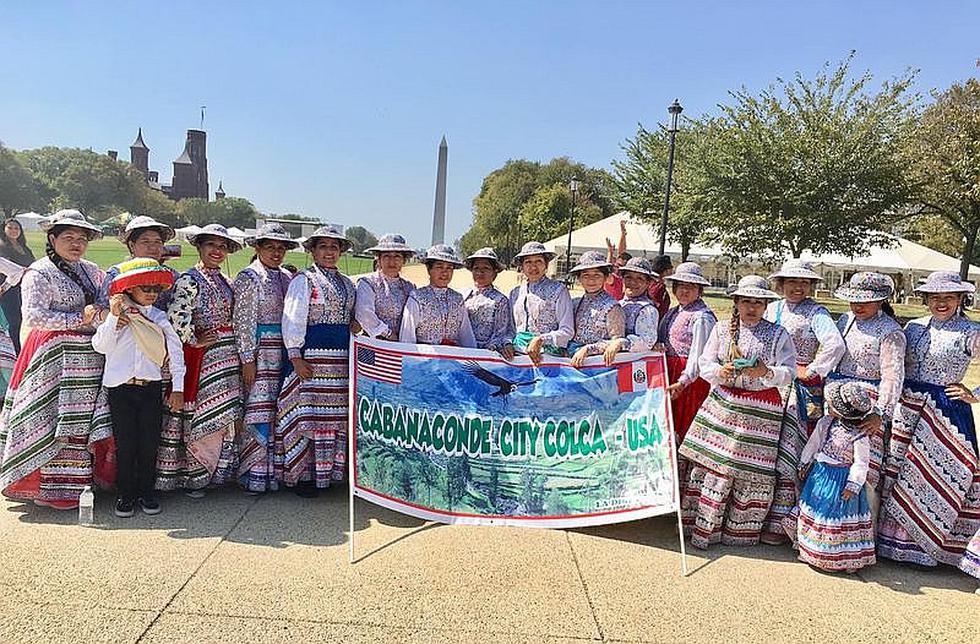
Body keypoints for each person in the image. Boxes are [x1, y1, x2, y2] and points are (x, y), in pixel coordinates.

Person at [0, 209, 112, 509]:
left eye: (81, 239)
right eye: (68, 238)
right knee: (49, 419)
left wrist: (97, 315)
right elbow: (35, 315)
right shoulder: (39, 272)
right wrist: (81, 318)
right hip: (53, 356)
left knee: (80, 422)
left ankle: (80, 485)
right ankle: (47, 486)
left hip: (87, 358)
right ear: (52, 238)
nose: (76, 244)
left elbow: (102, 305)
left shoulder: (92, 270)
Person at [678, 275, 795, 549]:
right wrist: (721, 371)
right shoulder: (721, 330)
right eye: (746, 302)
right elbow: (705, 362)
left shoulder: (779, 334)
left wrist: (765, 372)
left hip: (759, 410)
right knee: (713, 466)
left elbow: (789, 372)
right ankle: (703, 526)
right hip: (724, 404)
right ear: (736, 303)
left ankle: (738, 531)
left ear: (766, 305)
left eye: (758, 302)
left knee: (747, 470)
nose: (751, 308)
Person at [877, 271, 980, 580]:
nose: (941, 303)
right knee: (902, 470)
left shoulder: (971, 330)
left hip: (947, 409)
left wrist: (972, 394)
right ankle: (893, 543)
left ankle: (938, 547)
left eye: (948, 297)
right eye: (935, 297)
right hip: (908, 406)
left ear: (961, 299)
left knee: (942, 473)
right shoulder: (914, 327)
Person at [92, 258, 185, 517]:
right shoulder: (118, 316)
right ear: (130, 288)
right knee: (125, 443)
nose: (152, 294)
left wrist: (178, 388)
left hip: (149, 387)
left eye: (156, 289)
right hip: (120, 389)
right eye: (146, 288)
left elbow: (175, 352)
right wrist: (112, 319)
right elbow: (100, 346)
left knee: (149, 442)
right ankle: (125, 494)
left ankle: (147, 491)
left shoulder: (159, 317)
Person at [762, 259, 846, 544]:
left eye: (804, 282)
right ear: (781, 283)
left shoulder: (816, 313)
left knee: (790, 447)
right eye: (791, 282)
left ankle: (782, 521)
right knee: (766, 446)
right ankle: (759, 514)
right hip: (769, 382)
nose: (797, 287)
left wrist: (811, 370)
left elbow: (835, 344)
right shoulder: (772, 308)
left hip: (796, 388)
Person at [160, 224, 243, 496]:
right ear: (200, 247)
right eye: (211, 245)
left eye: (222, 247)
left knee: (224, 412)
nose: (217, 251)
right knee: (201, 413)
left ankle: (217, 472)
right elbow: (176, 317)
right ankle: (194, 475)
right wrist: (194, 338)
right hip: (203, 358)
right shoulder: (189, 279)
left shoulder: (225, 282)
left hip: (228, 356)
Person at [276, 225, 356, 495]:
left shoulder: (347, 283)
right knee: (306, 415)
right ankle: (304, 476)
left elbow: (352, 320)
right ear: (312, 250)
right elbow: (293, 318)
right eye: (323, 246)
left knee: (335, 418)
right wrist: (295, 355)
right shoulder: (304, 280)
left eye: (334, 247)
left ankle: (329, 473)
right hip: (312, 358)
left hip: (341, 361)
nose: (329, 252)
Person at [830, 271, 903, 522]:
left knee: (863, 464)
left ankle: (859, 526)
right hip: (838, 399)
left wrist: (880, 413)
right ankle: (825, 523)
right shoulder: (845, 320)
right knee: (832, 458)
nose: (857, 305)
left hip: (868, 403)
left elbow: (893, 376)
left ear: (881, 300)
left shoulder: (890, 331)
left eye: (866, 300)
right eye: (854, 299)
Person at [232, 223, 297, 493]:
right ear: (257, 248)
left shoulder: (286, 277)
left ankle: (275, 471)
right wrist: (248, 359)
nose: (276, 252)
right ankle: (254, 472)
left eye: (280, 248)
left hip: (282, 349)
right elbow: (243, 320)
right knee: (258, 408)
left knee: (278, 409)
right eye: (269, 247)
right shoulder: (249, 276)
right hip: (260, 350)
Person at [788, 379, 877, 573]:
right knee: (816, 512)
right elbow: (814, 443)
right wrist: (805, 462)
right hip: (820, 475)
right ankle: (810, 551)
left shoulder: (859, 436)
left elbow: (861, 462)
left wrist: (853, 485)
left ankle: (833, 557)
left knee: (833, 517)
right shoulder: (826, 423)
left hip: (840, 480)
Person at [659, 262, 717, 443]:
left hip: (690, 377)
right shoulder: (673, 312)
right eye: (681, 286)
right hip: (670, 370)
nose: (684, 291)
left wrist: (684, 380)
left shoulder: (702, 316)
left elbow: (700, 354)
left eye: (690, 287)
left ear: (699, 290)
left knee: (686, 422)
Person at [509, 241, 573, 363]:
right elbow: (510, 329)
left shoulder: (559, 290)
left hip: (548, 357)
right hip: (518, 358)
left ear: (546, 265)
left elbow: (567, 330)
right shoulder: (515, 293)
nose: (533, 267)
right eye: (528, 262)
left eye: (538, 261)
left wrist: (542, 339)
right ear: (521, 266)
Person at [400, 244, 476, 347]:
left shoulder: (457, 299)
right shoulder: (417, 297)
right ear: (429, 269)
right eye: (439, 267)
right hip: (424, 359)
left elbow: (466, 334)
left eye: (449, 268)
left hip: (453, 358)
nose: (445, 272)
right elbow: (407, 336)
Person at [98, 216, 178, 313]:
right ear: (132, 245)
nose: (153, 247)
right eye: (145, 242)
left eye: (157, 242)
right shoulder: (117, 274)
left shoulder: (172, 276)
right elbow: (103, 308)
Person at [567, 251, 626, 368]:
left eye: (597, 275)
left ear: (606, 277)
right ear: (579, 279)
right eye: (586, 276)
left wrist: (588, 349)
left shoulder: (612, 307)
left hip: (597, 366)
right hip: (573, 361)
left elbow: (617, 341)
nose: (591, 280)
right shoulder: (575, 303)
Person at [355, 233, 415, 340]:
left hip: (402, 345)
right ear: (379, 259)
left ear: (404, 260)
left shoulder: (410, 287)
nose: (392, 261)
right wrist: (388, 334)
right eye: (387, 256)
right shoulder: (367, 283)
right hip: (373, 344)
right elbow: (364, 314)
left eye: (397, 256)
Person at [462, 247, 515, 357]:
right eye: (476, 268)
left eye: (486, 268)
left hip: (486, 353)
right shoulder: (463, 296)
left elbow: (500, 332)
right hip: (462, 350)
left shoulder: (500, 300)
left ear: (494, 273)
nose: (480, 272)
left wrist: (485, 351)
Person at [0, 217, 36, 353]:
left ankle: (20, 349)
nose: (14, 230)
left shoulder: (24, 247)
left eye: (17, 228)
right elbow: (9, 269)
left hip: (25, 288)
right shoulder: (1, 246)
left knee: (23, 321)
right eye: (10, 227)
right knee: (13, 322)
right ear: (4, 229)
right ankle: (14, 351)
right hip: (8, 290)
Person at [611, 257, 659, 355]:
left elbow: (647, 341)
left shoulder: (648, 310)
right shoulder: (617, 304)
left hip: (634, 363)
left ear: (647, 283)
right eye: (629, 277)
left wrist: (621, 343)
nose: (633, 282)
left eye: (639, 278)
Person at [603, 219, 630, 301]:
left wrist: (623, 235)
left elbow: (622, 253)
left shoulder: (626, 280)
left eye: (621, 266)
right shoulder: (614, 280)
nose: (617, 268)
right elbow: (607, 271)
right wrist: (610, 252)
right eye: (617, 265)